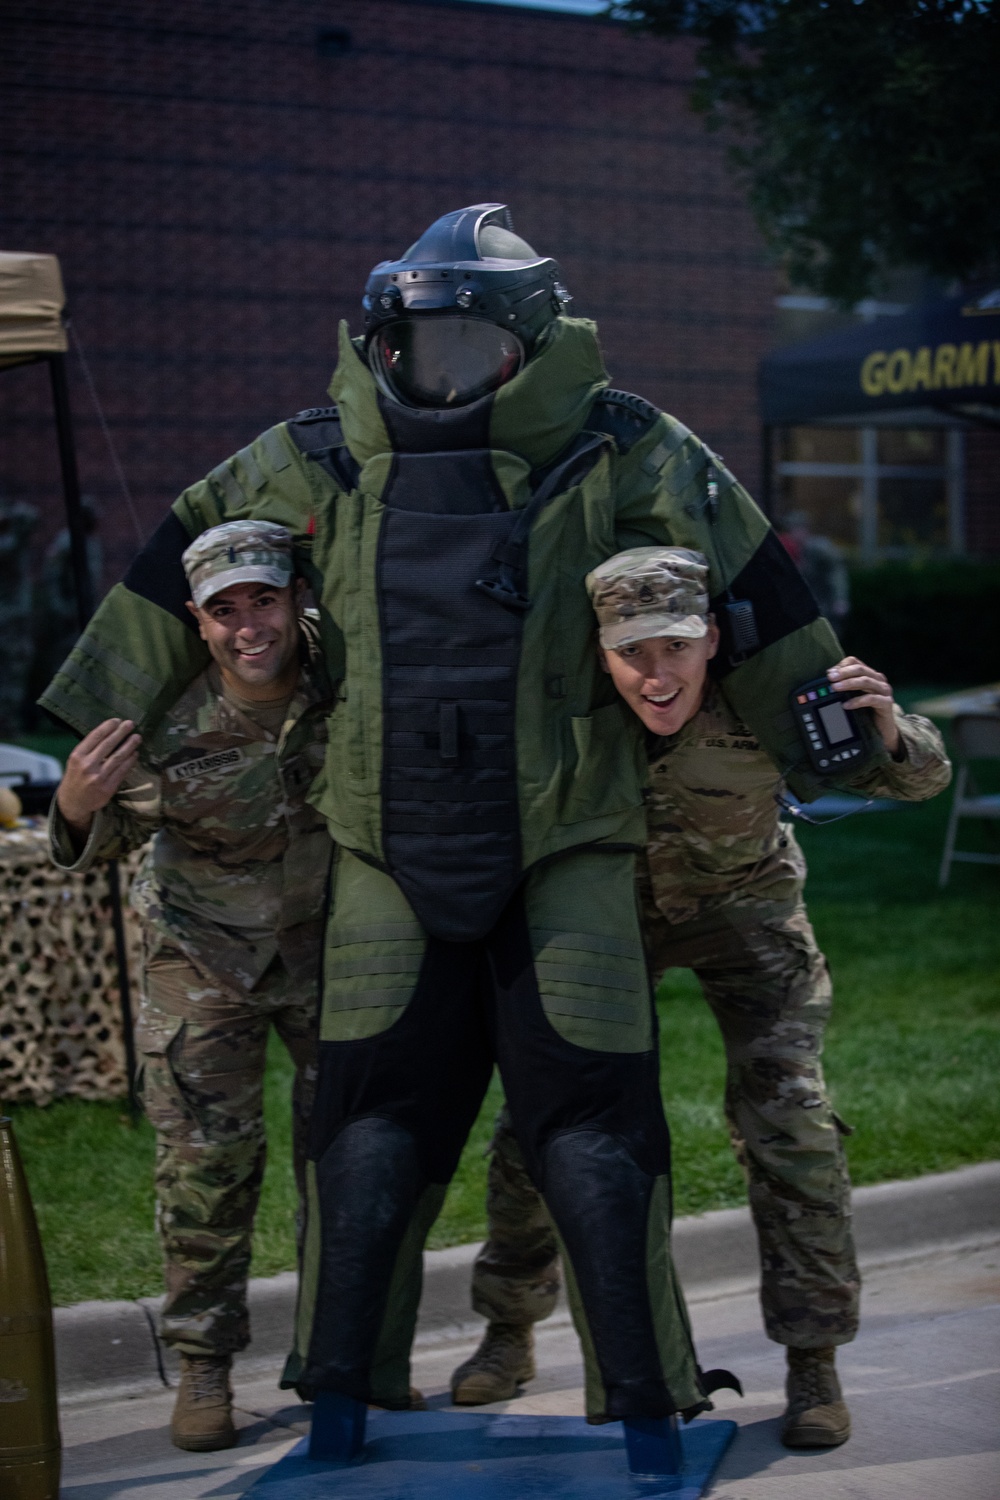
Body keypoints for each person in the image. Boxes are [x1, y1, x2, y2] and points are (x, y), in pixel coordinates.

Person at [42, 204, 857, 1441]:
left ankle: (643, 1394)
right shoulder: (318, 454)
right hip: (379, 847)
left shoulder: (627, 448)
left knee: (591, 1127)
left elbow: (756, 591)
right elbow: (174, 579)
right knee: (365, 1125)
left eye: (468, 346)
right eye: (417, 344)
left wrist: (834, 728)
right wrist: (99, 720)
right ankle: (342, 1387)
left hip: (570, 845)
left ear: (529, 340)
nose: (440, 371)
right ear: (380, 339)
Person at [452, 546, 950, 1449]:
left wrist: (887, 728)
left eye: (676, 647)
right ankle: (508, 1327)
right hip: (610, 928)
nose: (657, 674)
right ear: (601, 652)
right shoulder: (571, 710)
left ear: (712, 638)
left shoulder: (764, 696)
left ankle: (814, 1363)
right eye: (633, 652)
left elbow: (920, 780)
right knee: (536, 1125)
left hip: (749, 918)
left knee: (791, 1122)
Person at [48, 521, 332, 1453]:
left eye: (263, 598)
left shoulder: (349, 686)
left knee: (354, 1155)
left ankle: (347, 1357)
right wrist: (75, 806)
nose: (249, 624)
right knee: (207, 1166)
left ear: (295, 599)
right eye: (225, 610)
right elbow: (95, 844)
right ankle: (205, 1364)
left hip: (324, 950)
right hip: (200, 954)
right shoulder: (163, 718)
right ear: (197, 623)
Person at [778, 510, 850, 626]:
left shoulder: (819, 548)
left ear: (804, 530)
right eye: (790, 530)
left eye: (796, 529)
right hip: (806, 610)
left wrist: (840, 599)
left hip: (825, 606)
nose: (792, 534)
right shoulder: (789, 550)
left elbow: (836, 572)